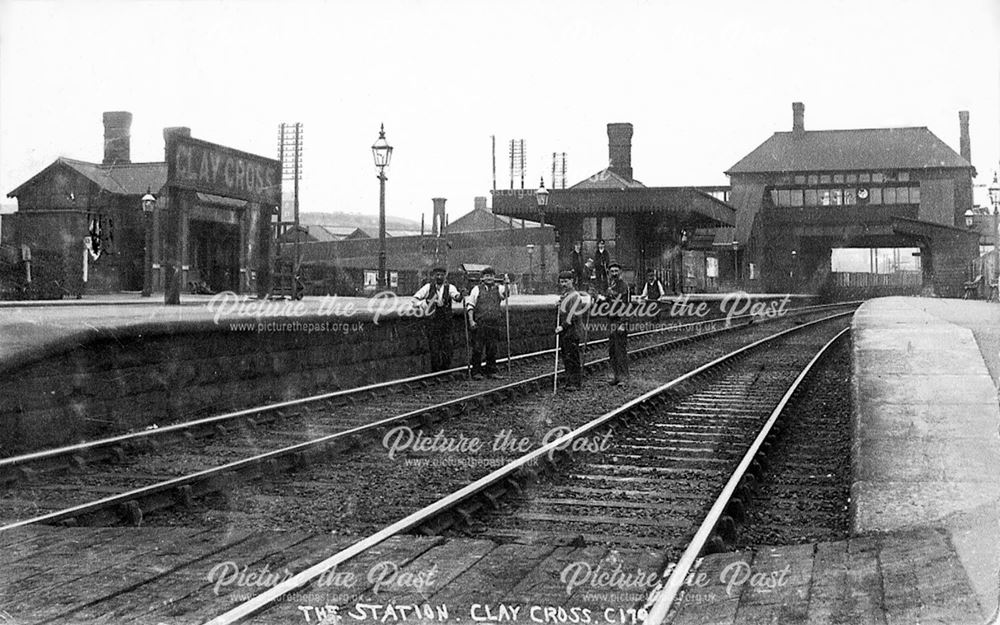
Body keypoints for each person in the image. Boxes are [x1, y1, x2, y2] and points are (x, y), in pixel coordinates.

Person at [412, 266, 463, 372]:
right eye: (437, 275)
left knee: (447, 346)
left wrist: (461, 295)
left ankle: (445, 369)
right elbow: (414, 299)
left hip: (446, 321)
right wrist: (425, 303)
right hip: (432, 321)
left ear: (445, 276)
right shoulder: (427, 287)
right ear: (433, 276)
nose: (439, 277)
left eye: (441, 275)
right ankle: (435, 371)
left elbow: (456, 297)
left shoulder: (450, 288)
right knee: (434, 346)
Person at [466, 267, 509, 380]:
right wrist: (471, 320)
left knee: (492, 348)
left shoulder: (498, 288)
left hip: (494, 323)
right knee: (478, 348)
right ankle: (476, 372)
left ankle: (491, 371)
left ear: (494, 277)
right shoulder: (476, 289)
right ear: (482, 278)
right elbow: (470, 306)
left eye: (491, 275)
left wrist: (507, 284)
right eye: (486, 276)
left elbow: (506, 295)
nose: (489, 278)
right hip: (480, 323)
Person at [603, 262, 630, 385]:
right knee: (612, 350)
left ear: (620, 272)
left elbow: (627, 306)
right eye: (612, 271)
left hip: (620, 321)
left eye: (616, 271)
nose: (614, 273)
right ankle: (616, 376)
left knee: (620, 350)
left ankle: (624, 377)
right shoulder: (610, 286)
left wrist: (623, 323)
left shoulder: (624, 286)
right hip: (611, 320)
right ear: (609, 273)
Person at [555, 270, 583, 390]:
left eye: (566, 281)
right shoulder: (565, 295)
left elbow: (573, 315)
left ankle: (575, 383)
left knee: (572, 358)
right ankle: (569, 381)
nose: (564, 284)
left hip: (573, 331)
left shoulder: (575, 296)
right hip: (566, 332)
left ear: (572, 281)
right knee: (567, 357)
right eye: (561, 282)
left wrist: (563, 326)